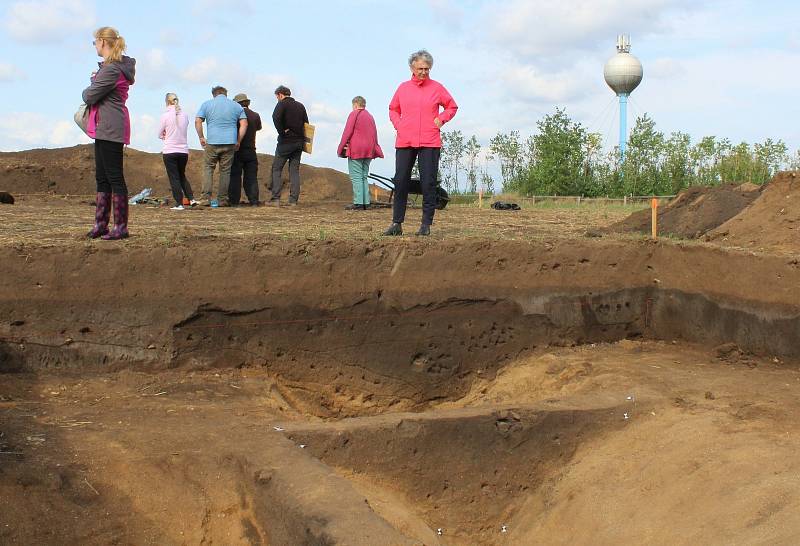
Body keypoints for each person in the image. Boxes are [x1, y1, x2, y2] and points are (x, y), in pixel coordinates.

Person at [383, 49, 457, 236]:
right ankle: (396, 223)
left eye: (427, 69)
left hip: (429, 141)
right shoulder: (403, 88)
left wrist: (441, 119)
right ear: (412, 67)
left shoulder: (437, 88)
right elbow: (393, 109)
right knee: (400, 182)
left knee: (428, 183)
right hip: (405, 140)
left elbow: (451, 106)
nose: (424, 72)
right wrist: (399, 124)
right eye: (420, 68)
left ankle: (425, 225)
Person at [82, 26, 136, 240]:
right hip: (106, 126)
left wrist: (91, 84)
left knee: (114, 176)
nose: (94, 45)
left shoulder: (112, 69)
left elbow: (89, 96)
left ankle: (120, 227)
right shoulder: (112, 68)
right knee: (102, 177)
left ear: (103, 42)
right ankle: (101, 224)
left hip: (110, 127)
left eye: (95, 42)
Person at [195, 86, 247, 207]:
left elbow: (197, 121)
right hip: (229, 142)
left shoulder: (207, 104)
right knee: (225, 171)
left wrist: (201, 137)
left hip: (212, 141)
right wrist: (238, 140)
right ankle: (223, 200)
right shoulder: (236, 106)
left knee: (208, 169)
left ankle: (205, 199)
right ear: (226, 94)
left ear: (214, 94)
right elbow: (244, 123)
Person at [337, 96, 383, 210]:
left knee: (356, 176)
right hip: (369, 150)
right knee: (363, 176)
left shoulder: (354, 114)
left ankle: (358, 203)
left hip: (357, 149)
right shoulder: (370, 116)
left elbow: (347, 132)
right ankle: (365, 203)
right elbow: (374, 134)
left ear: (355, 104)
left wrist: (340, 148)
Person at [269, 85, 308, 206]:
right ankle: (293, 201)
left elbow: (275, 117)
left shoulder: (282, 104)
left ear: (280, 95)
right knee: (294, 171)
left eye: (277, 97)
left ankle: (276, 199)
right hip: (299, 143)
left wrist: (282, 131)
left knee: (276, 169)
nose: (277, 99)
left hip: (285, 143)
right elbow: (307, 124)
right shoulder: (300, 106)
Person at [158, 93, 196, 210]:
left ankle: (179, 203)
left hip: (170, 150)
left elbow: (159, 133)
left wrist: (164, 134)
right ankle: (191, 199)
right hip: (183, 151)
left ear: (167, 102)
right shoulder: (185, 115)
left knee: (174, 177)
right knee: (181, 175)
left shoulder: (165, 116)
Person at [229, 93, 262, 206]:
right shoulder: (255, 115)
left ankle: (234, 201)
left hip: (237, 150)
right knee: (251, 177)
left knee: (235, 176)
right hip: (251, 149)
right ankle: (254, 201)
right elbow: (258, 128)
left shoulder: (235, 115)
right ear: (247, 103)